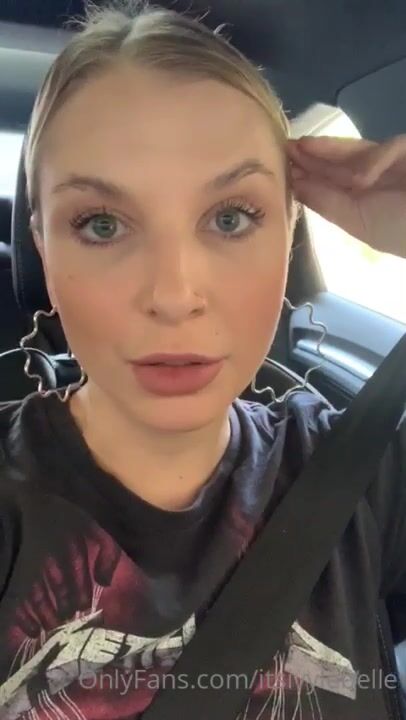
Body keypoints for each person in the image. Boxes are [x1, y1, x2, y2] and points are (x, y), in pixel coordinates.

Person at [0, 1, 405, 718]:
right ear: (42, 245)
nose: (174, 295)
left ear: (289, 229)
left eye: (230, 217)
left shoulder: (364, 478)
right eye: (101, 224)